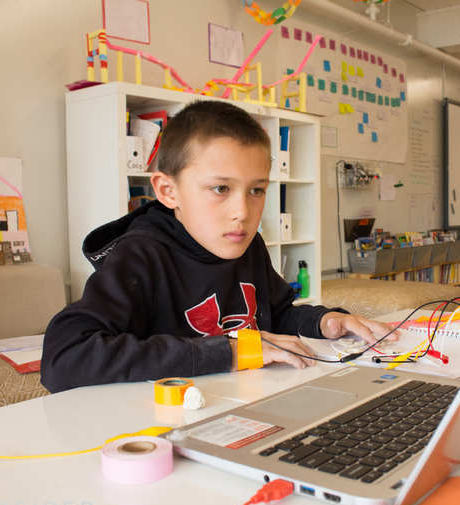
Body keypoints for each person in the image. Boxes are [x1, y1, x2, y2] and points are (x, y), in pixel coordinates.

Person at [41, 100, 395, 393]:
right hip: (164, 420)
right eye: (220, 189)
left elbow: (277, 314)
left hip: (246, 401)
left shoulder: (247, 245)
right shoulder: (141, 255)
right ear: (168, 191)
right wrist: (228, 352)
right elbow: (64, 357)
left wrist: (325, 321)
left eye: (256, 190)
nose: (242, 212)